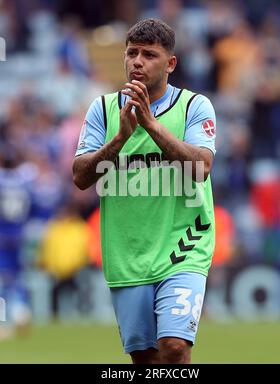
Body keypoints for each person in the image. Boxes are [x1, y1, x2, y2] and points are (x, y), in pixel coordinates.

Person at [73, 18, 216, 364]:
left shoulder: (194, 107)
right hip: (128, 253)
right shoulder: (103, 111)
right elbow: (79, 176)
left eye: (149, 55)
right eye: (132, 53)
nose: (137, 61)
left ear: (170, 64)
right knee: (146, 358)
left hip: (184, 246)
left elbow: (200, 167)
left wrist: (150, 124)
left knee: (175, 347)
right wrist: (120, 139)